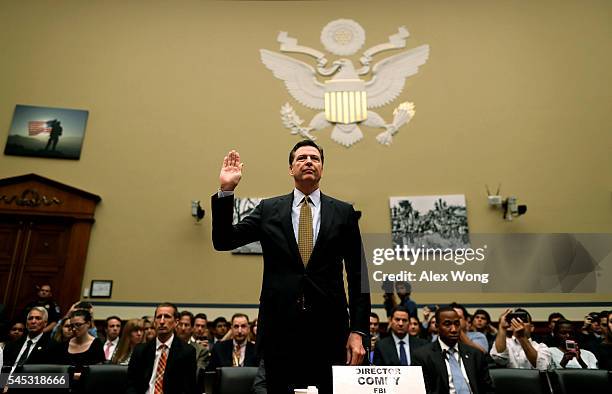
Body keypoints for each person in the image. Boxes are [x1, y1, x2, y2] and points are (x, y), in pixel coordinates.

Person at [211, 141, 370, 393]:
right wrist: (227, 191)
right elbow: (223, 241)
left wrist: (358, 331)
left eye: (315, 158)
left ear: (322, 169)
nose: (309, 162)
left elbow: (358, 274)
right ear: (290, 168)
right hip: (279, 332)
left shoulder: (343, 212)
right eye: (302, 158)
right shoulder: (268, 209)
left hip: (329, 333)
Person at [412, 307, 494, 394]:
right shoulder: (422, 356)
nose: (454, 329)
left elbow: (488, 390)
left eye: (457, 324)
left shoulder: (475, 354)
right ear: (437, 326)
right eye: (447, 324)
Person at [126, 303, 197, 394]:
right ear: (155, 322)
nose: (162, 321)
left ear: (176, 322)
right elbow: (131, 385)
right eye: (159, 317)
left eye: (167, 317)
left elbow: (188, 388)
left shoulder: (187, 352)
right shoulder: (141, 350)